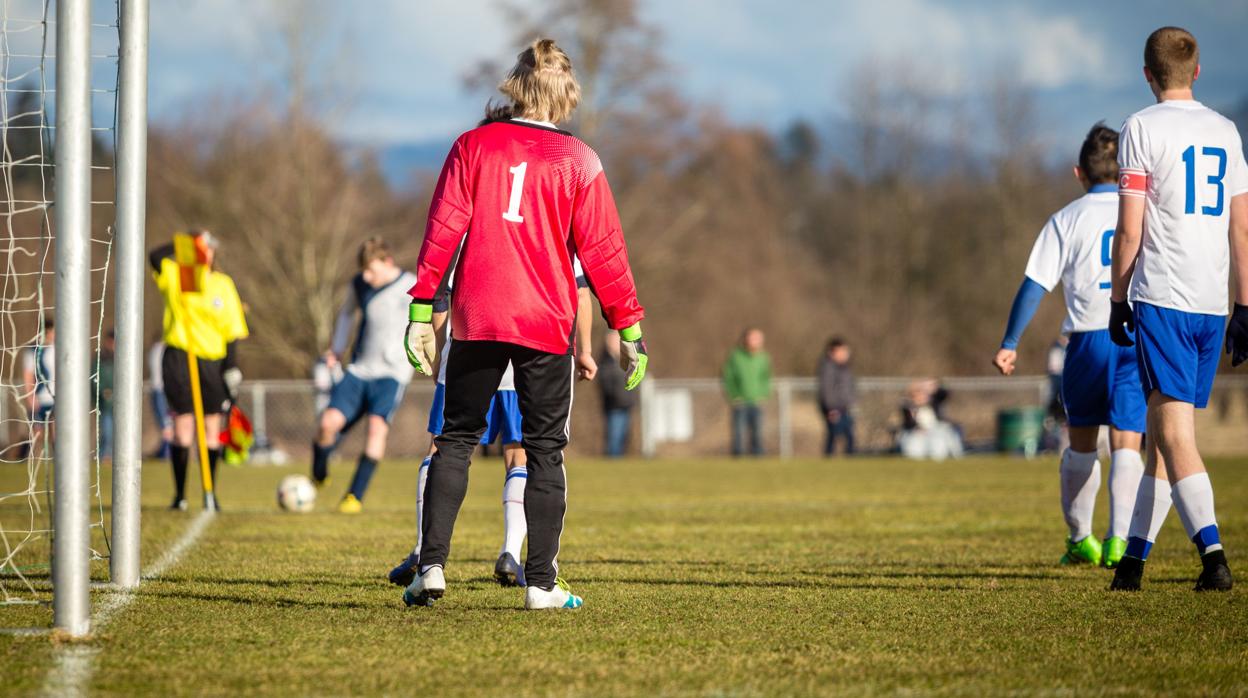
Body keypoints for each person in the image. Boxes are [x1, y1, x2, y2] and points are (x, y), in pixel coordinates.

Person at [400, 39, 647, 611]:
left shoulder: (472, 145)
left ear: (515, 85)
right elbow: (605, 252)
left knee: (456, 441)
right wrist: (628, 326)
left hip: (479, 313)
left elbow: (443, 232)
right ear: (566, 97)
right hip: (545, 320)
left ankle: (431, 569)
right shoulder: (580, 160)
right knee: (544, 451)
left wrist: (421, 310)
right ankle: (540, 584)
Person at [1107, 27, 1248, 591]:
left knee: (1173, 435)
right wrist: (1245, 303)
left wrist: (1117, 297)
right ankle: (1134, 561)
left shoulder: (1140, 126)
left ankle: (1213, 556)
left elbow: (1129, 229)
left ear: (1147, 74)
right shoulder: (1226, 129)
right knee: (1168, 436)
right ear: (1197, 71)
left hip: (1164, 295)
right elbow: (1241, 226)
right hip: (1213, 302)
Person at [387, 257, 596, 588]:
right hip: (531, 351)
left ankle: (425, 555)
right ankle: (511, 552)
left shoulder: (477, 220)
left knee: (445, 445)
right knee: (520, 452)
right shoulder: (552, 222)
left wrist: (442, 354)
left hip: (473, 344)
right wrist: (584, 349)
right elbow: (581, 292)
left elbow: (442, 294)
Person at [992, 123, 1147, 569]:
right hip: (1134, 334)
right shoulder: (1145, 212)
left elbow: (1034, 283)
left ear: (1079, 172)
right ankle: (1120, 541)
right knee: (1126, 443)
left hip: (1086, 340)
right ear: (1126, 174)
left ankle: (1081, 538)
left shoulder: (1066, 218)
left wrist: (1010, 341)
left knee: (1081, 444)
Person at [310, 238, 417, 513]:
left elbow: (431, 320)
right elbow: (347, 315)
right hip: (360, 370)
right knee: (327, 423)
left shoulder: (412, 286)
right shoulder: (359, 285)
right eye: (364, 271)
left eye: (372, 270)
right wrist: (337, 349)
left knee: (376, 430)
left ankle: (353, 496)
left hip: (392, 375)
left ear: (388, 262)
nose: (368, 276)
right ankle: (319, 470)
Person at [150, 230, 249, 511]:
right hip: (180, 357)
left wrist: (231, 369)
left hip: (212, 363)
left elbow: (232, 331)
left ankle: (210, 491)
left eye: (207, 248)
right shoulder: (175, 275)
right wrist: (184, 244)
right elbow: (154, 257)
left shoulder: (222, 284)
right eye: (199, 248)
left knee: (210, 427)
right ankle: (180, 495)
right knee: (183, 428)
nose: (204, 252)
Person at [722, 328, 771, 457]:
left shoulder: (763, 357)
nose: (757, 341)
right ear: (745, 339)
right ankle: (738, 458)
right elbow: (728, 377)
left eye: (759, 338)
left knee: (758, 433)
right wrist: (734, 396)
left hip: (757, 401)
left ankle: (758, 457)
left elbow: (767, 378)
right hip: (740, 402)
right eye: (753, 338)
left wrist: (764, 394)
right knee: (739, 432)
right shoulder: (736, 356)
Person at [598, 330, 639, 457]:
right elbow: (605, 383)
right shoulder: (605, 361)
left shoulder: (625, 359)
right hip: (614, 406)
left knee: (623, 438)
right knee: (614, 438)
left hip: (626, 404)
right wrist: (615, 397)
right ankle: (611, 462)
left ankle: (618, 461)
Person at [817, 337, 856, 456]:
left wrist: (853, 401)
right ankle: (829, 459)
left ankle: (848, 460)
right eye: (842, 351)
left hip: (844, 407)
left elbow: (849, 387)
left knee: (848, 436)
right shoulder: (828, 368)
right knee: (834, 435)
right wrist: (831, 408)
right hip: (834, 408)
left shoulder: (844, 367)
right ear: (832, 351)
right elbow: (826, 389)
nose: (845, 354)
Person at [22, 319, 54, 459]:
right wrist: (30, 397)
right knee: (37, 434)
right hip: (39, 398)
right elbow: (28, 375)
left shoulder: (58, 349)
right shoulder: (32, 351)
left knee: (56, 432)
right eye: (52, 331)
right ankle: (23, 458)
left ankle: (59, 460)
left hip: (56, 398)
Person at [148, 337, 173, 459]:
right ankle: (166, 449)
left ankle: (167, 449)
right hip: (162, 389)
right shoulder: (162, 349)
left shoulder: (156, 349)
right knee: (165, 421)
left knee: (166, 421)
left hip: (161, 389)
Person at [97, 330, 116, 461]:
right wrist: (103, 391)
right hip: (106, 403)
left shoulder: (122, 358)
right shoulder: (101, 358)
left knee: (117, 432)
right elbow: (95, 379)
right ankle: (104, 455)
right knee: (107, 432)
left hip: (118, 403)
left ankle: (111, 455)